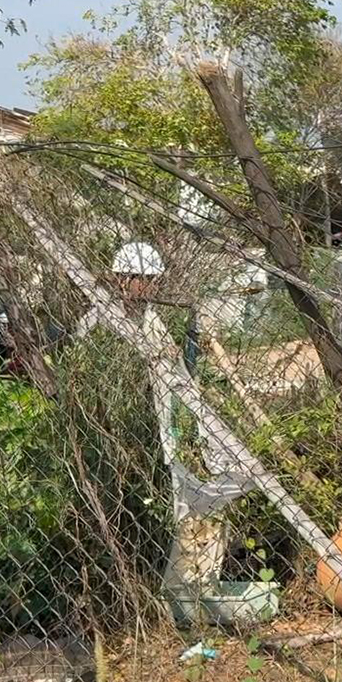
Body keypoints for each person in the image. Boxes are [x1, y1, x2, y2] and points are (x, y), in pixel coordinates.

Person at [76, 242, 253, 598]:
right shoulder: (98, 323)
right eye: (141, 278)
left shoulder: (154, 320)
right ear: (120, 279)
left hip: (164, 429)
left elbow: (179, 379)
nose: (148, 287)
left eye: (153, 279)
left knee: (190, 496)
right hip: (118, 433)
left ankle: (182, 585)